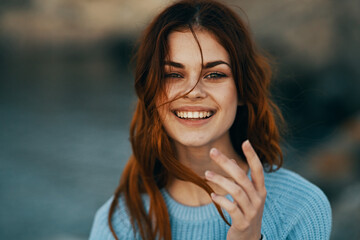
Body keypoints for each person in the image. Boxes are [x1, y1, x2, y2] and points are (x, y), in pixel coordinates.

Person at [89, 0, 332, 239]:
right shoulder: (119, 224)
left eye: (215, 74)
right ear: (151, 92)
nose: (193, 91)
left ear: (243, 90)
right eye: (173, 74)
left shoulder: (301, 208)